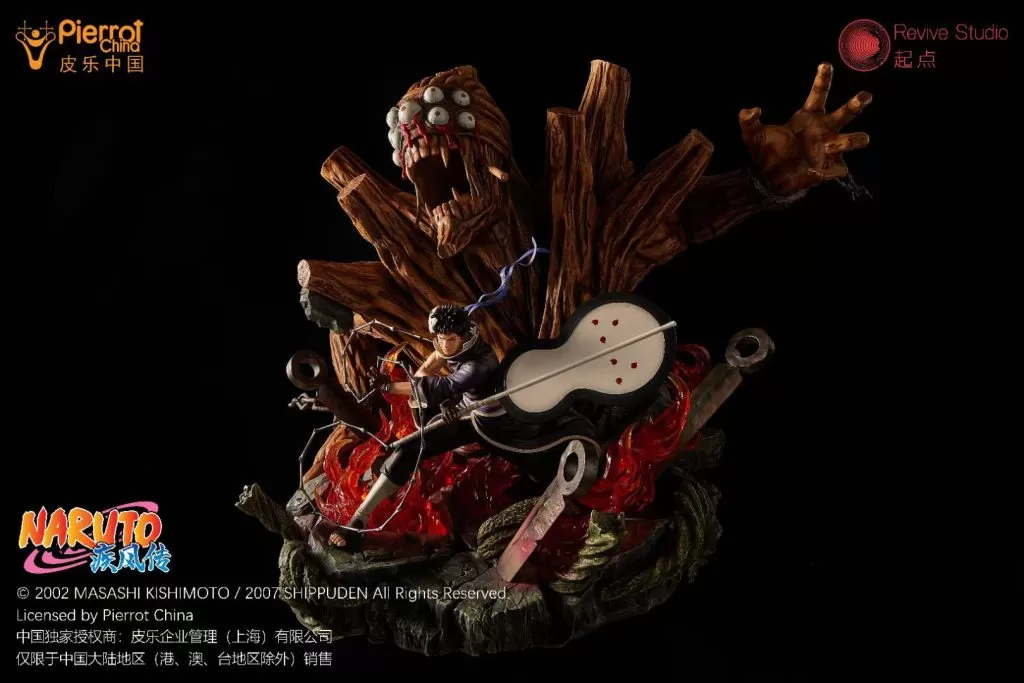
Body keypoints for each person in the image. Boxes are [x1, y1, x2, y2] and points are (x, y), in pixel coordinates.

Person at [334, 304, 604, 544]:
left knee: (534, 471)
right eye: (440, 339)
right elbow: (430, 375)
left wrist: (391, 386)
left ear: (463, 336)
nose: (445, 346)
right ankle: (359, 519)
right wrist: (446, 403)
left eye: (451, 339)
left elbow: (443, 386)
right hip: (468, 415)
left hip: (501, 425)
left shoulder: (481, 363)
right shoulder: (449, 344)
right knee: (410, 449)